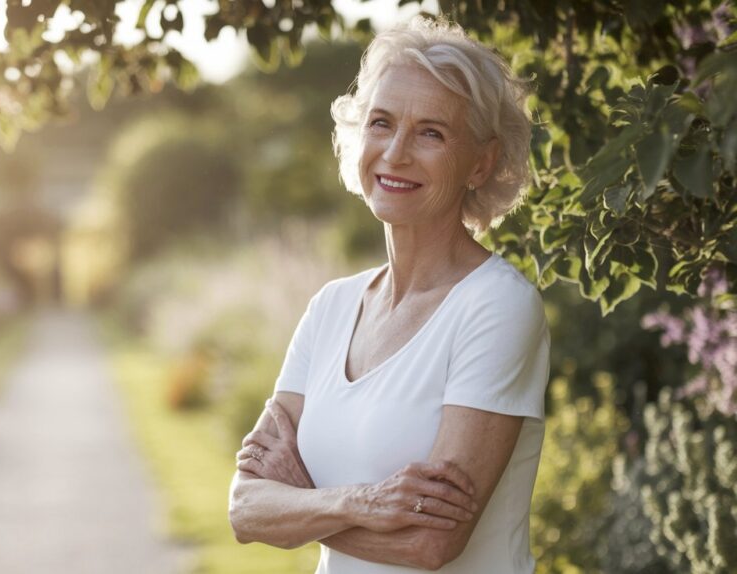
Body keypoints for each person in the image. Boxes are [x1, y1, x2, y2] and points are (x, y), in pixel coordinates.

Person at [227, 16, 551, 574]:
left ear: (482, 162)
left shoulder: (496, 307)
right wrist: (360, 503)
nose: (396, 153)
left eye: (431, 132)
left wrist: (300, 503)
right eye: (381, 123)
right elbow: (245, 508)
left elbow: (429, 544)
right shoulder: (331, 306)